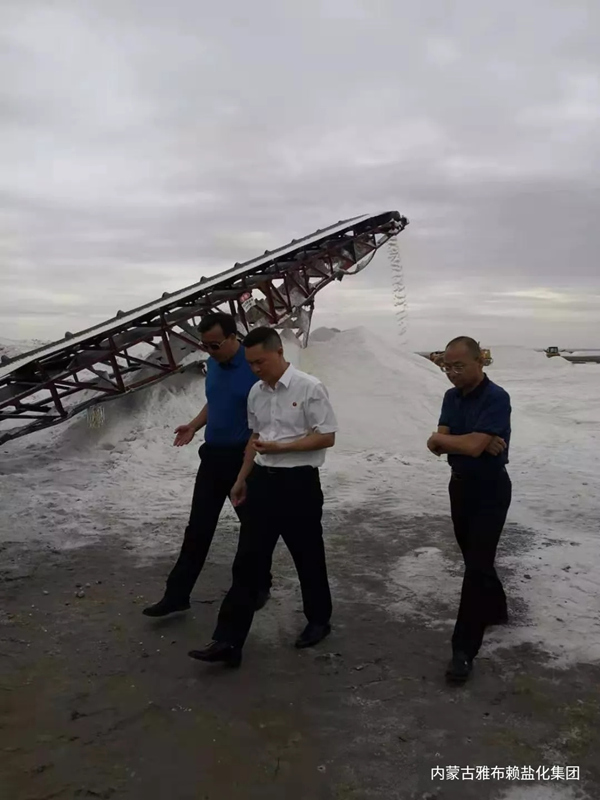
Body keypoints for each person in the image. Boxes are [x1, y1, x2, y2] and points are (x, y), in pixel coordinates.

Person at [188, 326, 338, 668]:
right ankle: (227, 641)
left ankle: (319, 620)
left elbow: (326, 436)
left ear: (279, 353)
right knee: (246, 562)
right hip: (262, 484)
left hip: (299, 485)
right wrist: (241, 479)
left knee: (308, 556)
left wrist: (283, 448)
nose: (256, 369)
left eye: (261, 362)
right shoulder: (256, 392)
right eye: (251, 363)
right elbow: (254, 438)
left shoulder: (309, 387)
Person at [143, 312, 272, 618]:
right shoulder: (213, 364)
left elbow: (268, 413)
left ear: (233, 338)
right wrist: (193, 425)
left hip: (244, 460)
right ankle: (177, 595)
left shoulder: (254, 366)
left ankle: (259, 586)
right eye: (205, 345)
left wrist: (253, 457)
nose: (210, 351)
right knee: (198, 528)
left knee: (254, 529)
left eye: (215, 345)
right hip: (212, 458)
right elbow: (215, 400)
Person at [426, 336, 511, 684]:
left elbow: (461, 444)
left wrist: (460, 441)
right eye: (448, 367)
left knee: (475, 567)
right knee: (474, 558)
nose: (452, 373)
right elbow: (437, 443)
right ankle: (497, 609)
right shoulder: (451, 397)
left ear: (480, 362)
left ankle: (463, 650)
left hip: (491, 490)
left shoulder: (497, 397)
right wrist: (470, 441)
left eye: (459, 366)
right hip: (460, 487)